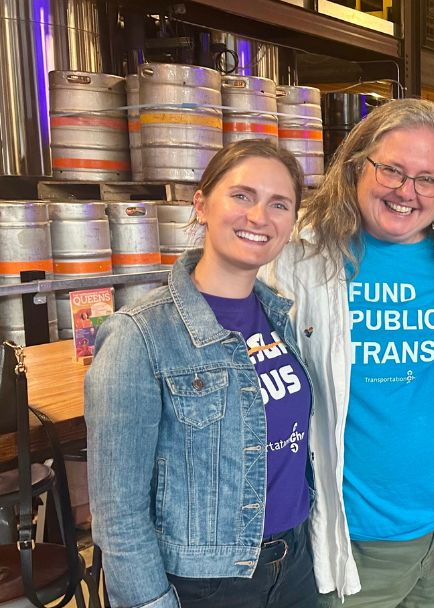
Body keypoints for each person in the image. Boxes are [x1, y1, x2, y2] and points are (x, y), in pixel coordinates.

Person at [260, 98, 434, 607]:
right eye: (391, 170)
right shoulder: (298, 256)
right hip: (354, 542)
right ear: (356, 165)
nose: (407, 191)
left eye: (427, 179)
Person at [86, 139, 316, 608]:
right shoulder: (139, 335)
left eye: (279, 204)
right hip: (206, 584)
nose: (259, 216)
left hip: (294, 565)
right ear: (202, 204)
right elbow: (118, 513)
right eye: (242, 196)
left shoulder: (280, 318)